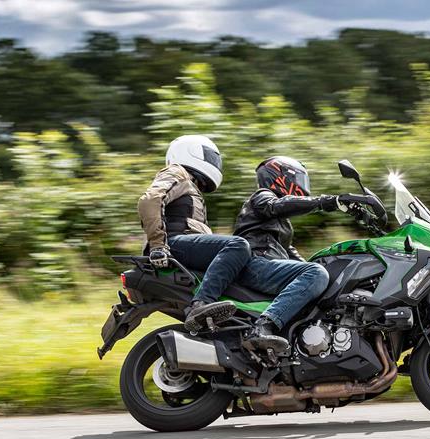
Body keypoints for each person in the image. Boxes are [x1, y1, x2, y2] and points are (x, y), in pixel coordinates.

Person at [233, 156, 353, 353]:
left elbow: (290, 253)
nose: (302, 185)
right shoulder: (262, 197)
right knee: (317, 273)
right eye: (298, 178)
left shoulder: (282, 223)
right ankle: (263, 326)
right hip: (256, 264)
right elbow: (274, 206)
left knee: (325, 276)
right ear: (280, 176)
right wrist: (326, 202)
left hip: (269, 266)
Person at [138, 135, 251, 330]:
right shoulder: (177, 172)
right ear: (190, 152)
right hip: (173, 243)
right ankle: (201, 304)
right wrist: (158, 245)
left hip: (181, 244)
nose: (215, 163)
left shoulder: (190, 184)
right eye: (210, 157)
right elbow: (150, 201)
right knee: (237, 245)